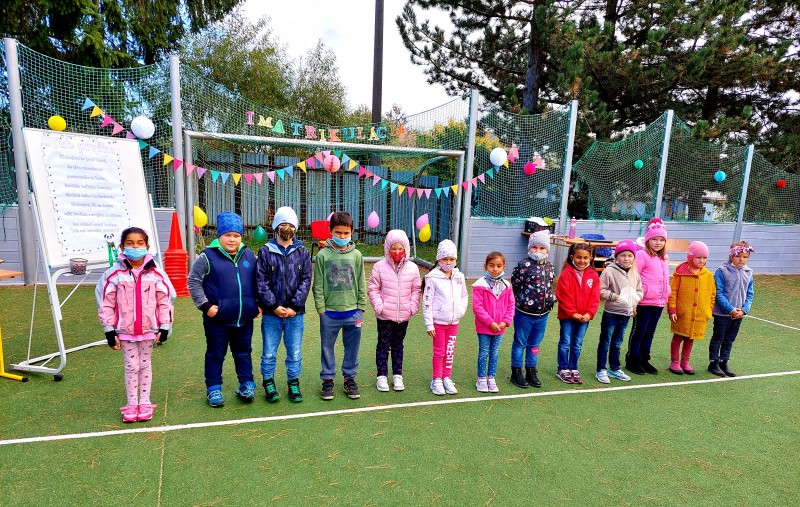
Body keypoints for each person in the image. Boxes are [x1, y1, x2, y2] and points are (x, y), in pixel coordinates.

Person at [96, 227, 175, 423]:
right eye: (130, 243)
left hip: (149, 329)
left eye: (140, 243)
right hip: (125, 330)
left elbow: (165, 301)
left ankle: (145, 402)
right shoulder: (114, 274)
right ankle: (132, 403)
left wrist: (165, 326)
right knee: (132, 366)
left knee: (145, 364)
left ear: (147, 246)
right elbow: (106, 303)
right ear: (122, 247)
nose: (135, 247)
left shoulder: (156, 274)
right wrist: (109, 330)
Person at [188, 212, 261, 407]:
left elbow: (258, 281)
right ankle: (213, 388)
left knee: (243, 352)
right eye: (227, 235)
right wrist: (205, 306)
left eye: (236, 235)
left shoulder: (249, 256)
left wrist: (258, 303)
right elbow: (193, 281)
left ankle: (246, 384)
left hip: (244, 318)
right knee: (215, 354)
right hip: (217, 320)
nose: (232, 239)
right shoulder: (207, 256)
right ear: (219, 235)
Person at [256, 207, 312, 403]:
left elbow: (306, 280)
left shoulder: (302, 252)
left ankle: (293, 383)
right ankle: (268, 382)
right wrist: (273, 306)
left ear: (295, 228)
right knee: (269, 352)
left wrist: (295, 307)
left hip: (295, 314)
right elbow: (261, 281)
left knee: (294, 351)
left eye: (290, 224)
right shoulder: (265, 251)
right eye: (283, 224)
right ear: (275, 227)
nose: (287, 228)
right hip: (272, 314)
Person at [312, 211, 367, 400]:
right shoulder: (322, 255)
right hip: (330, 314)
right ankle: (328, 379)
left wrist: (361, 307)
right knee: (327, 347)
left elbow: (361, 281)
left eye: (346, 233)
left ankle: (349, 378)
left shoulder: (357, 255)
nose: (342, 237)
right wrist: (321, 310)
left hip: (353, 313)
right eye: (338, 232)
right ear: (331, 231)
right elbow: (318, 285)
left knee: (352, 348)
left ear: (352, 232)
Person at [367, 229, 422, 392]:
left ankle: (397, 375)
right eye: (393, 248)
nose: (397, 252)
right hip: (385, 316)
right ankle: (381, 376)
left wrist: (412, 307)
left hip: (403, 315)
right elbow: (373, 288)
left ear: (406, 249)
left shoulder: (412, 268)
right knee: (383, 346)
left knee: (398, 345)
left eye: (400, 248)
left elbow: (416, 289)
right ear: (387, 248)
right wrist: (379, 307)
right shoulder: (379, 267)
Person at [510, 231, 556, 388]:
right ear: (529, 248)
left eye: (542, 248)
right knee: (520, 342)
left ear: (547, 249)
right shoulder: (523, 265)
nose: (538, 251)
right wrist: (521, 302)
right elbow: (515, 285)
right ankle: (516, 371)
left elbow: (549, 286)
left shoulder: (550, 267)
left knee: (535, 344)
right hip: (524, 314)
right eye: (534, 247)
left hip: (543, 315)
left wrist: (550, 300)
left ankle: (531, 370)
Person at [422, 239, 469, 396]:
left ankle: (446, 377)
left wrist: (461, 310)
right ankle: (436, 379)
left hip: (453, 322)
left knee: (449, 352)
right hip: (438, 323)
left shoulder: (459, 276)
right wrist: (429, 324)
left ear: (456, 259)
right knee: (439, 352)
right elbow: (427, 301)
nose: (448, 263)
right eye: (445, 259)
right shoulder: (432, 277)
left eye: (451, 259)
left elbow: (464, 295)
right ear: (438, 259)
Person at [626, 218, 671, 375]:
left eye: (661, 240)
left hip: (658, 302)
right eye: (654, 239)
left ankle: (644, 358)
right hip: (643, 301)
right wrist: (633, 300)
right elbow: (632, 277)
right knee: (640, 330)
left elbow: (665, 279)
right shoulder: (641, 255)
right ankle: (633, 359)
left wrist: (666, 296)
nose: (658, 243)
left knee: (650, 331)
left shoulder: (664, 258)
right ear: (647, 240)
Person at [595, 240, 642, 383]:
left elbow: (639, 290)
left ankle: (614, 369)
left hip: (626, 314)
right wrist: (615, 297)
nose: (626, 258)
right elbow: (600, 290)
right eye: (623, 255)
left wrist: (634, 302)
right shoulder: (609, 271)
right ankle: (601, 370)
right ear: (617, 257)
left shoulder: (634, 273)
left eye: (630, 255)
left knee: (617, 343)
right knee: (605, 342)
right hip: (611, 313)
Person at [667, 241, 716, 375]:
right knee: (678, 337)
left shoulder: (708, 276)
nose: (702, 260)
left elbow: (712, 294)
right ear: (690, 257)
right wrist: (672, 309)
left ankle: (685, 362)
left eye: (704, 258)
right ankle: (675, 362)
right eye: (698, 257)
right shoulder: (680, 273)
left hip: (699, 314)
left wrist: (709, 310)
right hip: (683, 313)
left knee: (690, 338)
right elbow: (673, 292)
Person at [555, 242, 601, 384]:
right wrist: (572, 313)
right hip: (568, 317)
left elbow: (595, 298)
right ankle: (563, 368)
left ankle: (573, 367)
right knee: (565, 342)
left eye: (585, 258)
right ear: (572, 257)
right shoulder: (566, 274)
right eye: (578, 257)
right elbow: (563, 296)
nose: (582, 261)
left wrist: (589, 314)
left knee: (577, 344)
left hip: (584, 318)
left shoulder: (593, 275)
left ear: (590, 258)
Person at [708, 241, 755, 377]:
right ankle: (713, 362)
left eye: (745, 257)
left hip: (738, 314)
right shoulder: (722, 271)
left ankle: (724, 361)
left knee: (729, 339)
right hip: (722, 314)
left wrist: (743, 310)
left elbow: (750, 294)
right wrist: (730, 309)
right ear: (731, 256)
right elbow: (718, 293)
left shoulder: (748, 272)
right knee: (718, 337)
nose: (741, 259)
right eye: (738, 256)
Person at [472, 251, 515, 393]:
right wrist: (490, 322)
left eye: (498, 266)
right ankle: (481, 378)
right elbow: (477, 307)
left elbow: (511, 305)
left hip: (500, 327)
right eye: (491, 265)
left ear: (504, 267)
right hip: (485, 327)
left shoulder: (507, 286)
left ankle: (491, 377)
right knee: (484, 352)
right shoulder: (480, 285)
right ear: (485, 266)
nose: (495, 269)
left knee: (494, 353)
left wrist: (505, 322)